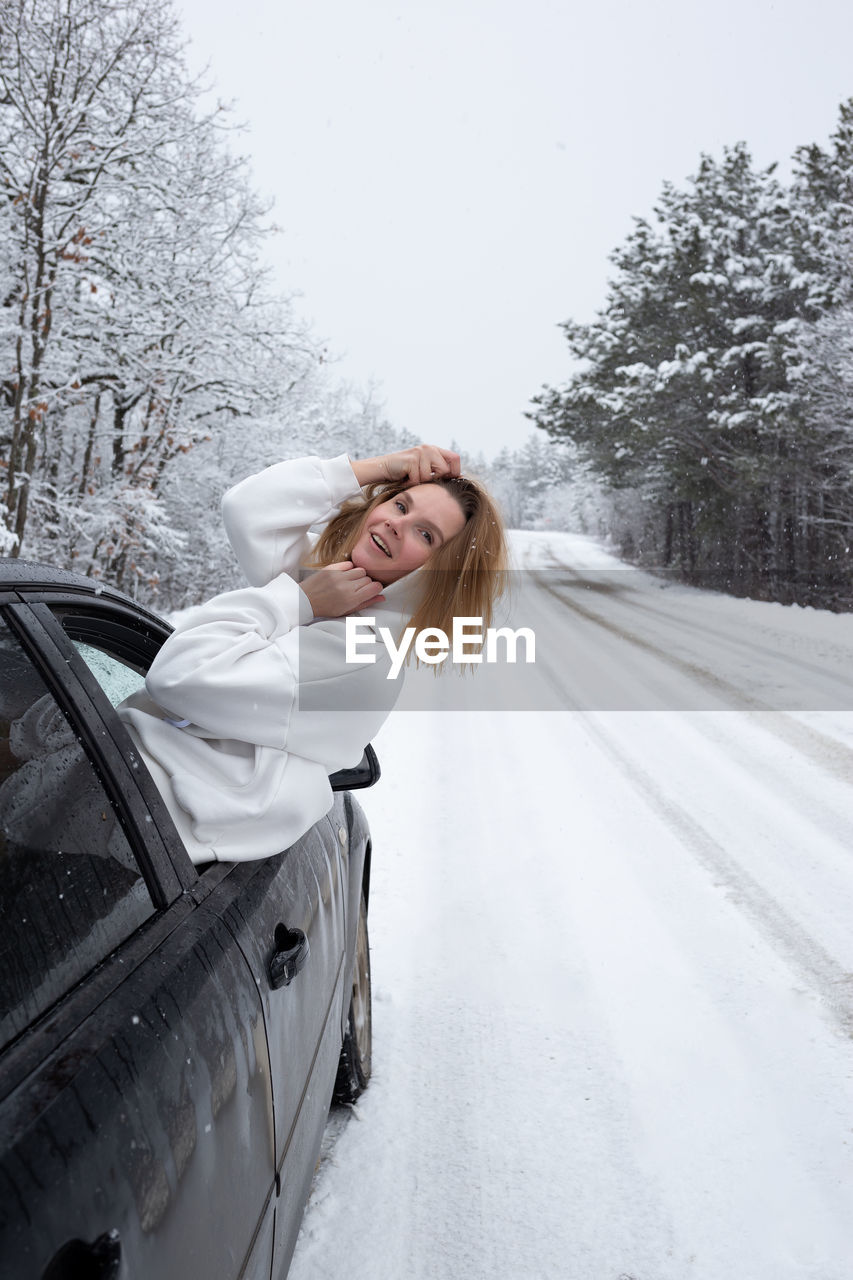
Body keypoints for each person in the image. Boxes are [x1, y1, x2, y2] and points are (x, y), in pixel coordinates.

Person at [118, 444, 508, 865]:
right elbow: (247, 509)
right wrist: (376, 468)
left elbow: (178, 676)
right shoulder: (345, 588)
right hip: (129, 794)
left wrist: (298, 601)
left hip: (130, 817)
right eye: (399, 505)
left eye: (425, 534)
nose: (398, 525)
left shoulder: (360, 652)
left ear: (438, 575)